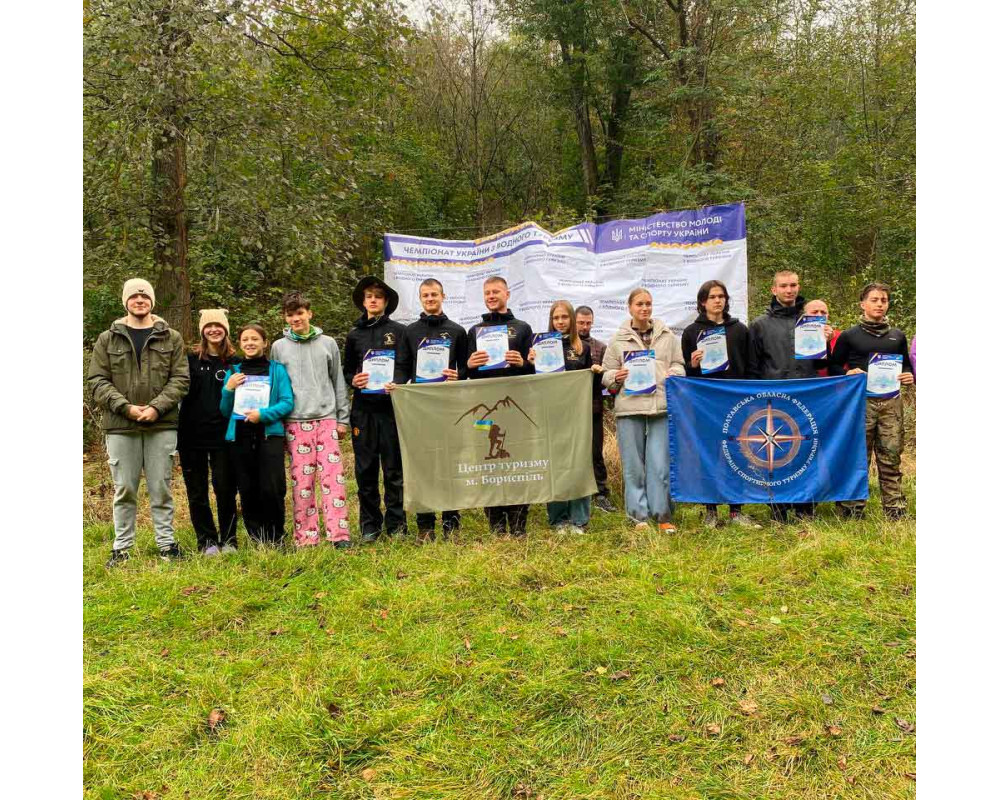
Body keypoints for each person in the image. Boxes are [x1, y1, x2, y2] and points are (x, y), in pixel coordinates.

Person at [88, 279, 190, 567]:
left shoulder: (171, 337)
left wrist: (157, 407)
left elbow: (180, 379)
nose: (140, 300)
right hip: (121, 426)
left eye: (145, 296)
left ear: (152, 301)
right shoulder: (108, 339)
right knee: (124, 489)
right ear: (126, 302)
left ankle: (167, 545)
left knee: (161, 488)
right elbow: (97, 380)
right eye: (134, 296)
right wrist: (126, 408)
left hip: (162, 424)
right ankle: (121, 549)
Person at [748, 270, 834, 522]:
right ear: (773, 290)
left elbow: (821, 364)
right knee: (777, 452)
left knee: (807, 449)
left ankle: (806, 506)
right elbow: (753, 367)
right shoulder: (759, 325)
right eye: (784, 286)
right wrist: (756, 400)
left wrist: (825, 343)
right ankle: (779, 507)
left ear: (798, 287)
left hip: (807, 396)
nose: (789, 290)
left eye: (793, 285)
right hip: (773, 398)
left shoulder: (810, 321)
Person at [271, 291, 353, 548]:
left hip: (326, 419)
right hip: (295, 422)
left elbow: (338, 380)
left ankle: (338, 535)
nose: (296, 318)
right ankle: (306, 536)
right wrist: (279, 423)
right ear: (285, 318)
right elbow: (275, 386)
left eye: (300, 313)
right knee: (302, 483)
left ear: (309, 313)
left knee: (333, 480)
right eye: (290, 315)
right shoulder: (278, 347)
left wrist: (342, 419)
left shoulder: (328, 343)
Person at [601, 288, 685, 533]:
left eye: (648, 303)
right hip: (629, 409)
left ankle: (662, 515)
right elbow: (606, 374)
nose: (644, 308)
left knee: (660, 465)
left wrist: (675, 372)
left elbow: (679, 364)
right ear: (630, 307)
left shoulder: (667, 336)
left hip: (661, 408)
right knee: (633, 466)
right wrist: (615, 376)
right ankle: (638, 517)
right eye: (639, 304)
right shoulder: (617, 339)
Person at [828, 282, 914, 520]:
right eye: (874, 300)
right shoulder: (849, 335)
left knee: (891, 456)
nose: (879, 304)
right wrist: (848, 372)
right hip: (860, 403)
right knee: (857, 456)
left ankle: (895, 509)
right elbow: (833, 365)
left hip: (890, 403)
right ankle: (851, 508)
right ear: (862, 304)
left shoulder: (897, 336)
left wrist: (908, 375)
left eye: (884, 300)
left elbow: (906, 365)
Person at [681, 280, 760, 530]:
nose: (718, 301)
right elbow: (686, 375)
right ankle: (711, 511)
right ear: (702, 302)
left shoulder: (740, 330)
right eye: (713, 297)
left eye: (721, 296)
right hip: (705, 404)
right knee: (708, 455)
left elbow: (751, 366)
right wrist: (693, 365)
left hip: (736, 402)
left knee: (737, 454)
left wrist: (749, 398)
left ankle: (737, 510)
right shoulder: (691, 332)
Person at [394, 278, 468, 541]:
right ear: (420, 298)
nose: (430, 299)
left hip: (449, 407)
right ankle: (425, 526)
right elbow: (403, 367)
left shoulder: (457, 331)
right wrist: (395, 385)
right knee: (424, 466)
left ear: (443, 296)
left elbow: (466, 367)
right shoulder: (410, 332)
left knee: (449, 463)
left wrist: (458, 375)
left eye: (434, 294)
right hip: (421, 408)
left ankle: (451, 523)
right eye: (425, 295)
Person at [466, 276, 534, 536]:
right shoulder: (475, 331)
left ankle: (518, 524)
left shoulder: (523, 328)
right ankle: (496, 525)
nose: (491, 296)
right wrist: (469, 365)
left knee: (517, 462)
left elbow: (535, 371)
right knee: (489, 461)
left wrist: (523, 364)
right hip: (484, 409)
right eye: (487, 293)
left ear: (507, 294)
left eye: (496, 291)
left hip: (516, 408)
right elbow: (467, 374)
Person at [343, 277, 408, 543]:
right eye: (368, 296)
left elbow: (404, 366)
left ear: (386, 302)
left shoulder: (399, 331)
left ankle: (396, 525)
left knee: (394, 470)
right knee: (365, 470)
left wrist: (398, 382)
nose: (373, 300)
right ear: (363, 301)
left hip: (391, 410)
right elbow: (348, 370)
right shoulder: (354, 334)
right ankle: (370, 525)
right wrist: (354, 380)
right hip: (363, 411)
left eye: (378, 296)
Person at [220, 324, 294, 544]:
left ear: (265, 343)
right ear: (240, 344)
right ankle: (257, 537)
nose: (250, 343)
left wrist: (262, 415)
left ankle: (276, 536)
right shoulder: (233, 371)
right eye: (245, 340)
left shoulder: (277, 370)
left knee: (273, 487)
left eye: (254, 339)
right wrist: (228, 389)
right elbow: (225, 410)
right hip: (240, 436)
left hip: (269, 435)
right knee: (247, 488)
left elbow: (287, 402)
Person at [177, 309, 240, 555]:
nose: (214, 330)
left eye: (219, 325)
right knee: (197, 491)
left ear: (226, 329)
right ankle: (206, 541)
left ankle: (229, 539)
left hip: (224, 435)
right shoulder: (189, 360)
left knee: (225, 489)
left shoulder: (235, 362)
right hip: (191, 435)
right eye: (209, 326)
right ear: (202, 331)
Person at [529, 300, 593, 534]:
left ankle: (579, 519)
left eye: (564, 317)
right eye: (556, 318)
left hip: (576, 413)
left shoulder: (583, 348)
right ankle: (558, 518)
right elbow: (534, 383)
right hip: (551, 413)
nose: (560, 322)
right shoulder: (539, 345)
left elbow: (588, 381)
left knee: (578, 462)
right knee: (555, 464)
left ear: (572, 320)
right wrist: (531, 363)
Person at [575, 305, 616, 513]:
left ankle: (601, 494)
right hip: (569, 410)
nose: (584, 326)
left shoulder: (601, 347)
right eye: (580, 323)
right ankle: (574, 493)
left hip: (593, 408)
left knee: (595, 452)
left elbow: (607, 381)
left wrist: (600, 374)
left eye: (588, 323)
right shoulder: (564, 347)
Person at [802, 299, 842, 378]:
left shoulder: (839, 336)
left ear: (827, 316)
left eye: (823, 312)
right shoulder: (795, 335)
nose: (819, 315)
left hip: (828, 382)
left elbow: (825, 366)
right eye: (814, 312)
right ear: (804, 316)